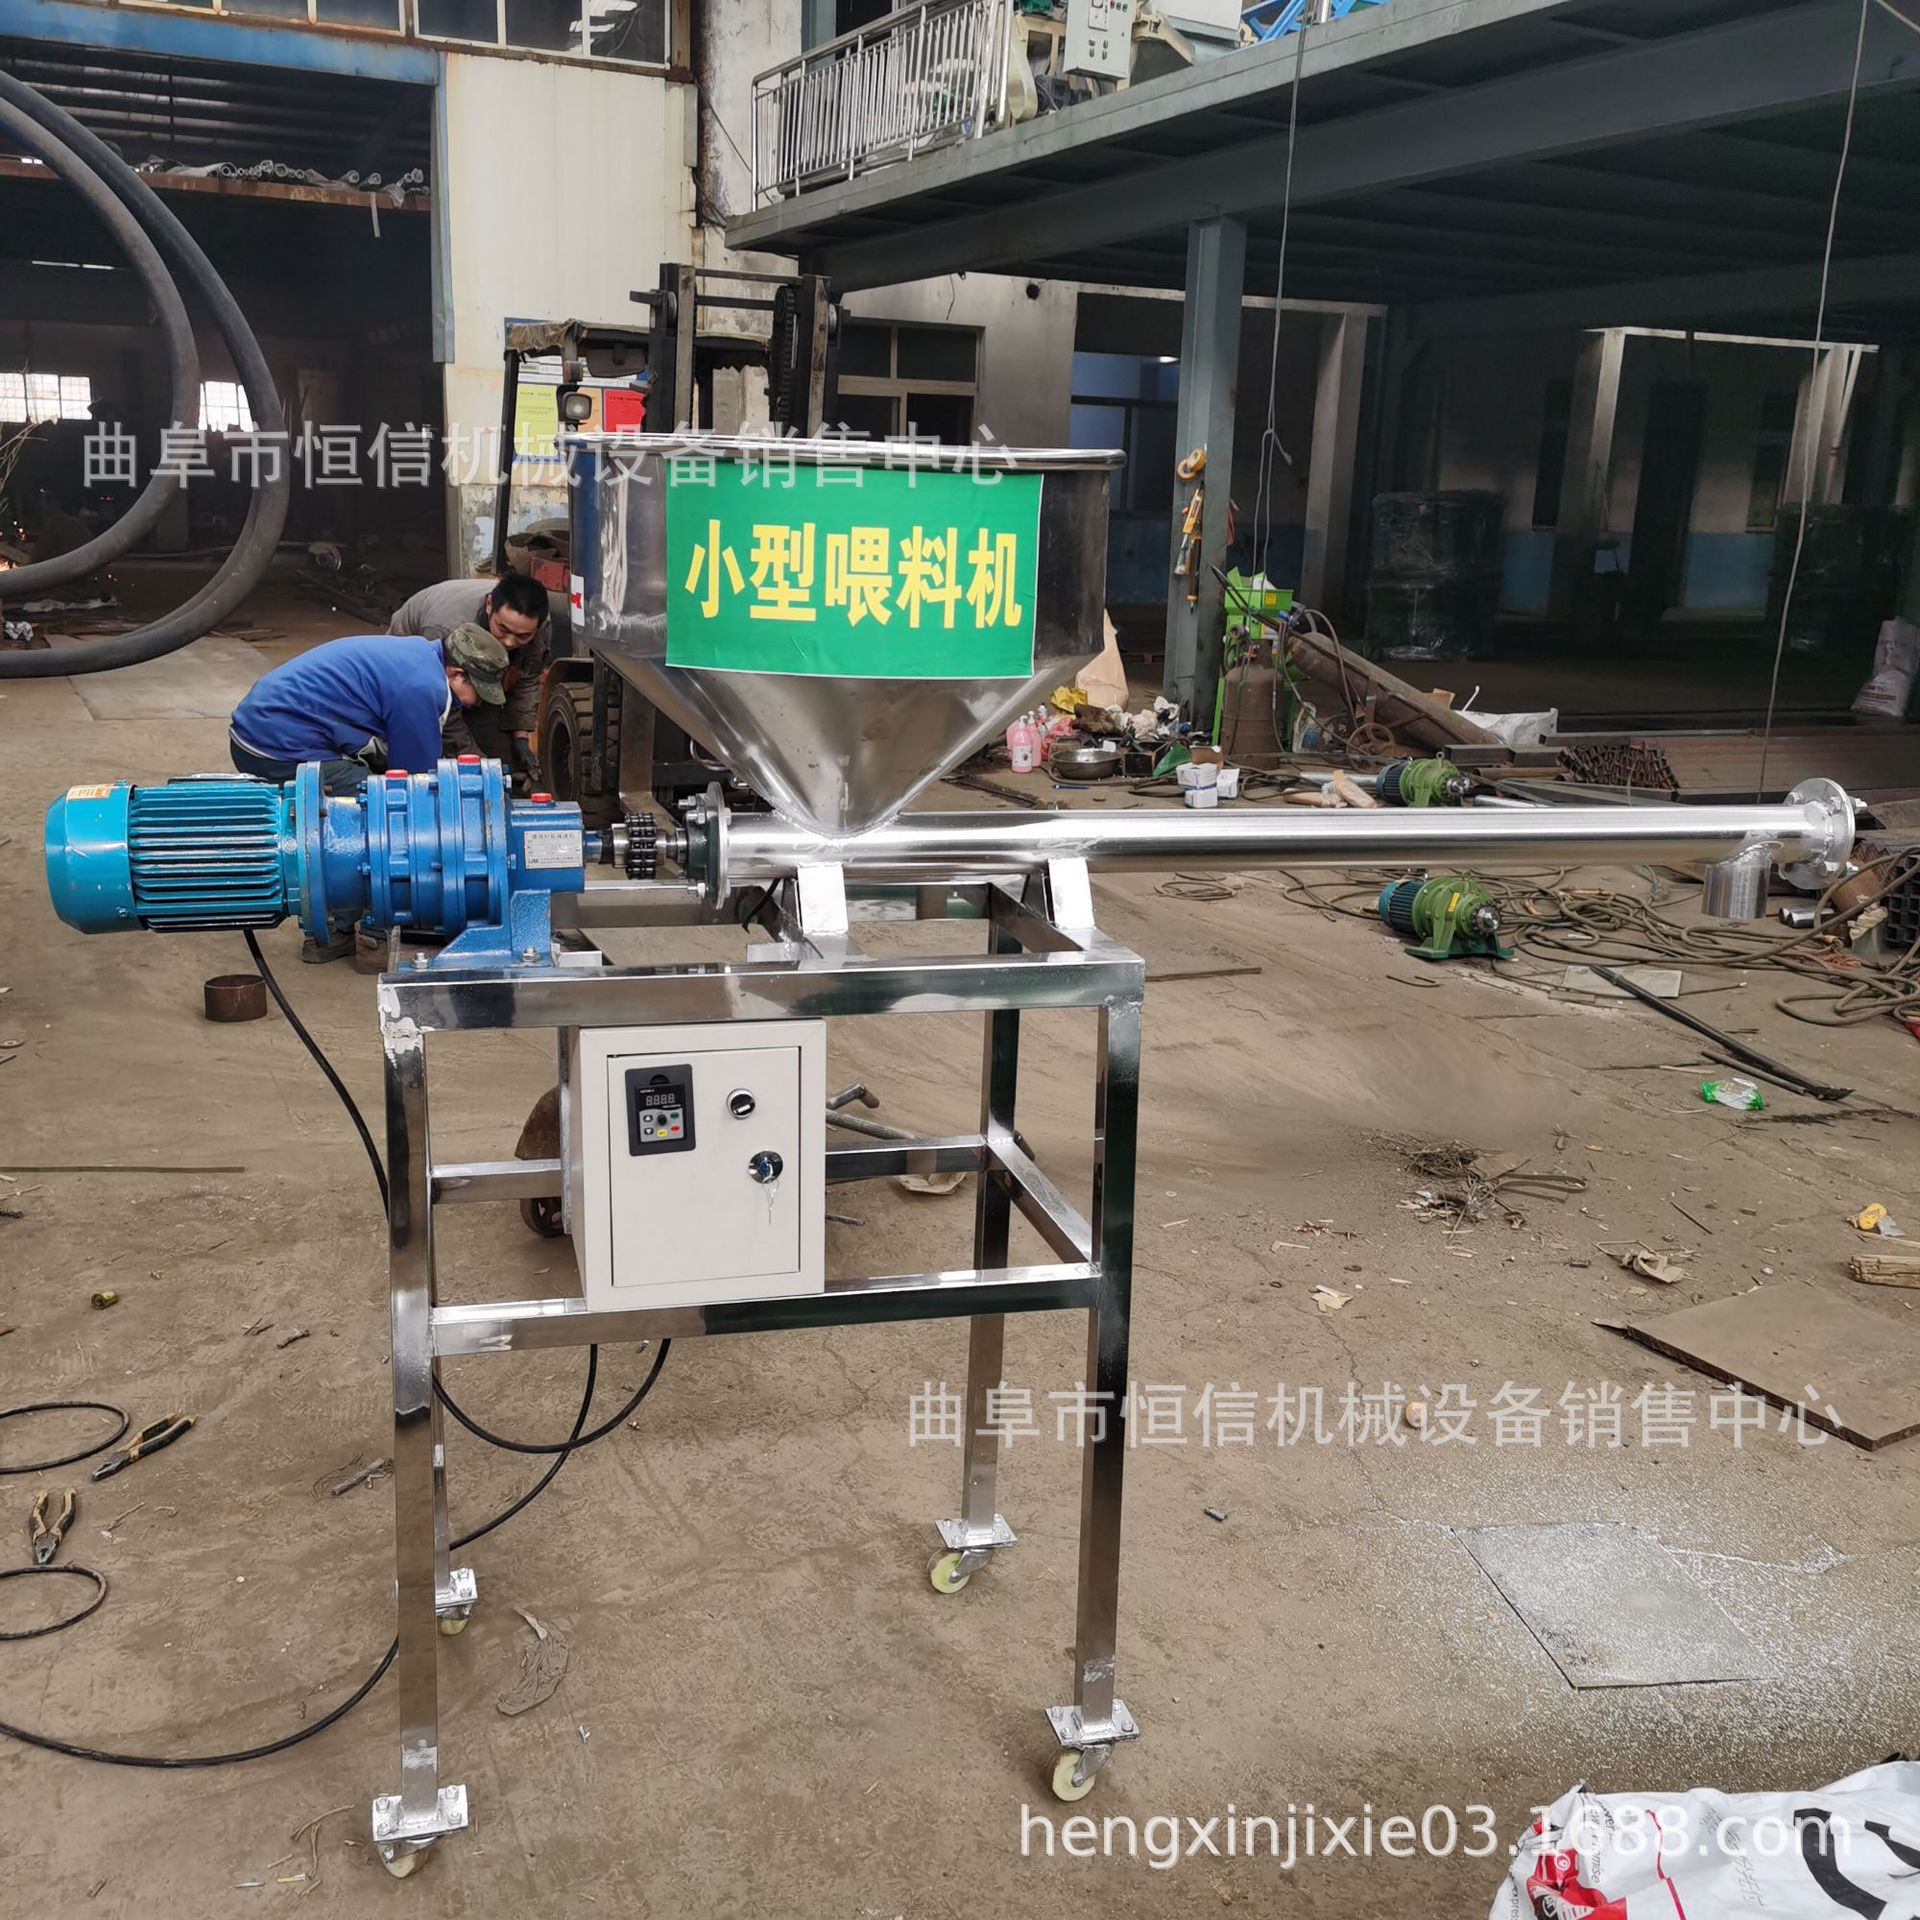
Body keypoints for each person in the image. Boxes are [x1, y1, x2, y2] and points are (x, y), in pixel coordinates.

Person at [229, 625, 510, 789]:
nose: (476, 703)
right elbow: (413, 780)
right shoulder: (424, 688)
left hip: (260, 725)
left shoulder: (420, 653)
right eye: (478, 693)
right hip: (273, 750)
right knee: (374, 799)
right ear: (457, 673)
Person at [387, 571, 549, 774]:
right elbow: (442, 706)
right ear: (489, 604)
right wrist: (480, 768)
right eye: (503, 629)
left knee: (501, 759)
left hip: (467, 675)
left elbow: (525, 677)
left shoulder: (538, 627)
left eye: (522, 636)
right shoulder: (447, 630)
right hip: (412, 671)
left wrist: (521, 739)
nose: (509, 642)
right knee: (427, 755)